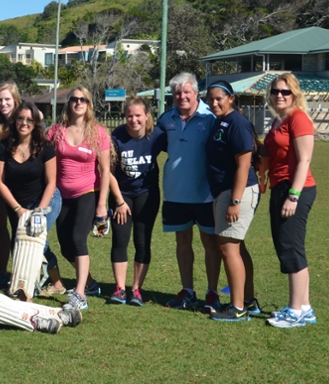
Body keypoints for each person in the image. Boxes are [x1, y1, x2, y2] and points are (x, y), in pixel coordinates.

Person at [157, 72, 222, 313]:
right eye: (177, 92)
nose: (182, 96)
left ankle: (212, 293)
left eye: (186, 92)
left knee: (210, 243)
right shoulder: (166, 119)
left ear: (196, 94)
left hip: (206, 193)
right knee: (182, 242)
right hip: (175, 192)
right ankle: (188, 291)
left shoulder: (211, 117)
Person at [47, 87, 111, 311]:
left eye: (83, 99)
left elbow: (105, 170)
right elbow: (43, 156)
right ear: (69, 103)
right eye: (74, 99)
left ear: (89, 104)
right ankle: (91, 283)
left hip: (87, 193)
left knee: (77, 238)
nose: (78, 103)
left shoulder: (98, 132)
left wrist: (102, 204)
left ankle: (80, 294)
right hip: (61, 195)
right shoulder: (56, 131)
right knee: (66, 247)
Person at [203, 81, 261, 321]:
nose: (214, 103)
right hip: (224, 192)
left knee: (228, 248)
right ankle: (248, 300)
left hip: (238, 192)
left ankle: (237, 308)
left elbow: (244, 164)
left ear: (231, 98)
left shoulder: (236, 122)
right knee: (236, 246)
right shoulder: (221, 121)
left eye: (219, 98)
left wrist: (235, 201)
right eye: (211, 99)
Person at [263, 73, 318, 328]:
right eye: (275, 91)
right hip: (280, 186)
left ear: (294, 94)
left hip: (295, 189)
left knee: (290, 248)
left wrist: (293, 196)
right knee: (289, 246)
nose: (280, 96)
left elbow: (305, 160)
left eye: (285, 92)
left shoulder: (298, 118)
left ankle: (295, 311)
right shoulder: (278, 120)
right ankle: (304, 307)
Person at [0, 102, 60, 300]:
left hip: (46, 199)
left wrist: (39, 211)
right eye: (21, 118)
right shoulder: (3, 146)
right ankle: (56, 282)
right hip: (17, 203)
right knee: (21, 241)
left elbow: (51, 182)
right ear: (14, 120)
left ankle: (25, 290)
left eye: (29, 119)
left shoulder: (45, 146)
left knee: (34, 240)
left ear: (36, 123)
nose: (24, 123)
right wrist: (17, 209)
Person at [106, 98, 166, 307]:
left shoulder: (157, 135)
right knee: (120, 241)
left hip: (147, 195)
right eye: (130, 115)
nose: (134, 120)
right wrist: (120, 202)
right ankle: (120, 289)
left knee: (142, 241)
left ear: (147, 115)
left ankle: (136, 290)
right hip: (121, 195)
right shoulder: (117, 136)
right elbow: (109, 172)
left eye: (138, 115)